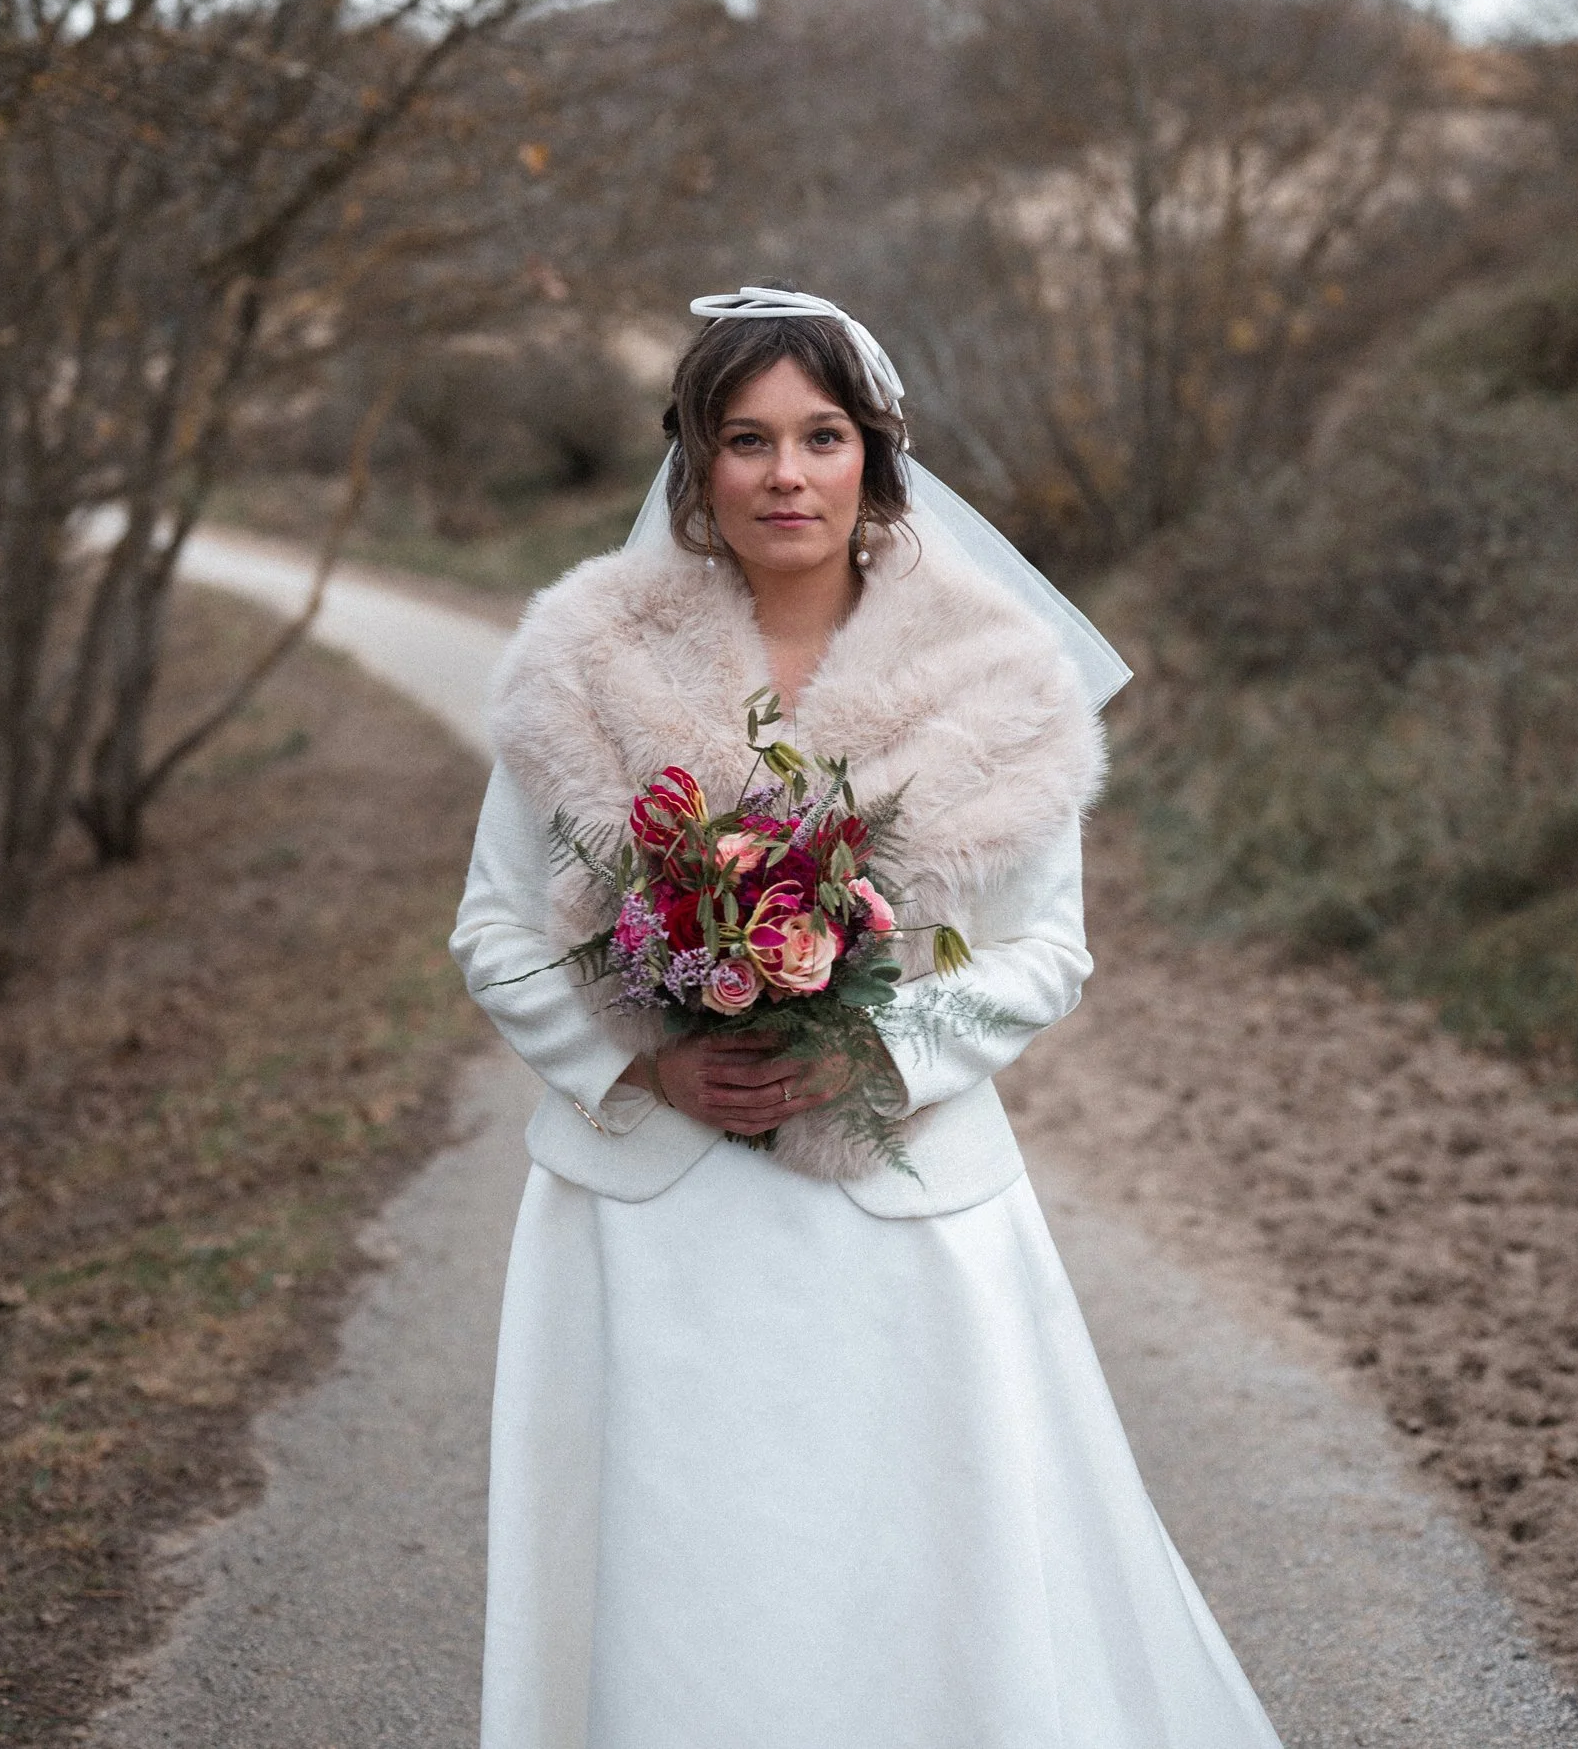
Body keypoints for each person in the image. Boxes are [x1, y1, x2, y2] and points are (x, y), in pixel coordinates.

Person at [450, 288, 1284, 1749]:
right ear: (695, 467)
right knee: (691, 1580)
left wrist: (859, 1045)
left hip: (898, 1205)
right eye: (746, 439)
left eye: (820, 437)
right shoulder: (581, 667)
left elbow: (1044, 955)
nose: (785, 475)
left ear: (874, 457)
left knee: (917, 1580)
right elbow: (496, 932)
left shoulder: (1000, 683)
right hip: (657, 1214)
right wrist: (653, 1049)